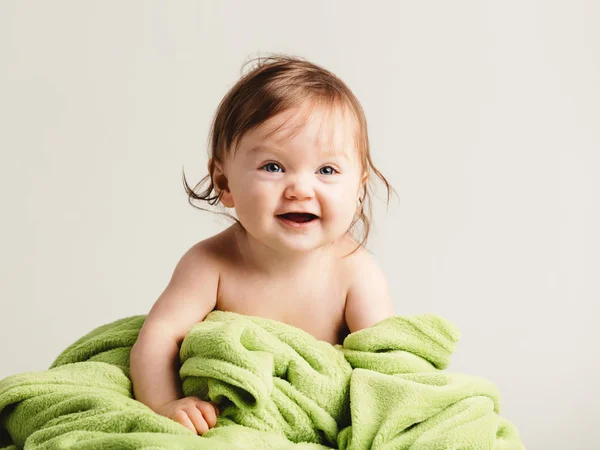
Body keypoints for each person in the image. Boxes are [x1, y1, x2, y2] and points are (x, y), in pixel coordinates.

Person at [129, 54, 398, 435]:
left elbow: (387, 369)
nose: (301, 190)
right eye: (273, 166)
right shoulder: (210, 264)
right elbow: (157, 338)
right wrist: (165, 404)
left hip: (318, 425)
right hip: (230, 421)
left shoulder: (355, 271)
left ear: (359, 188)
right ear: (224, 184)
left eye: (327, 170)